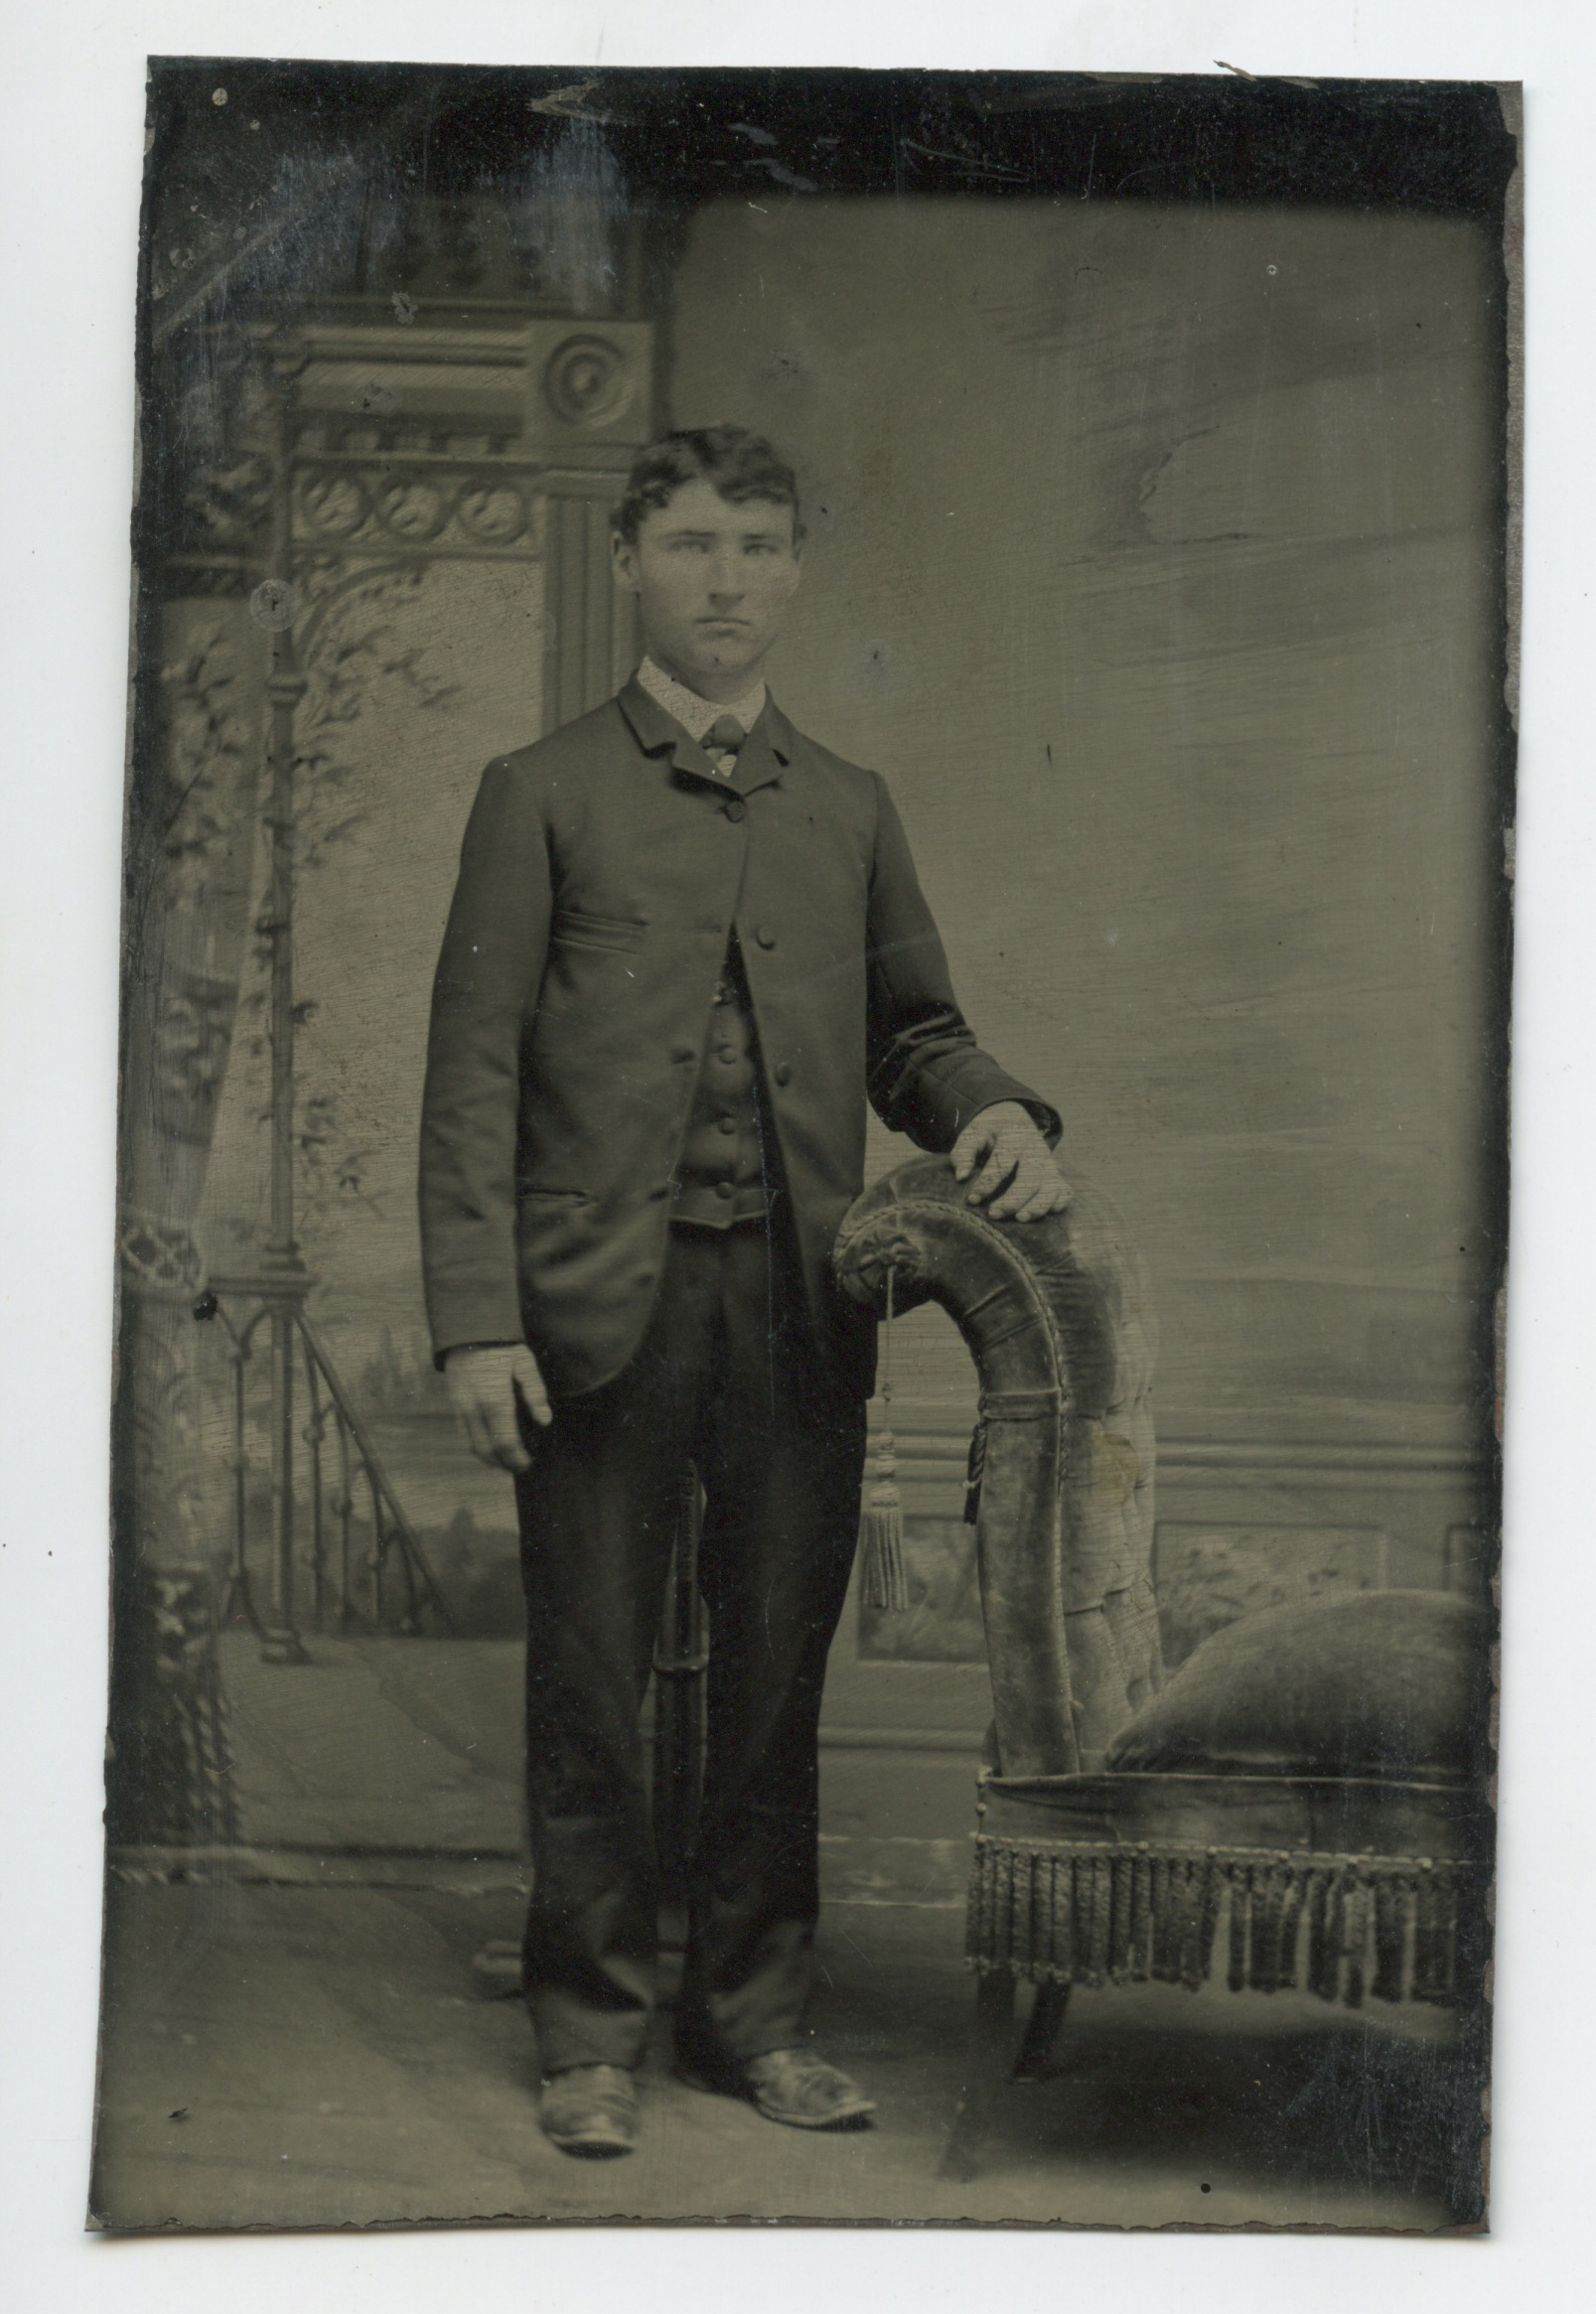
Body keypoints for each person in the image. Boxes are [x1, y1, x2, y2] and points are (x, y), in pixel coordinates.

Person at [419, 426, 1068, 2158]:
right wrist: (476, 1319)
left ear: (794, 572)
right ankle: (589, 2033)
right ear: (631, 560)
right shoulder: (538, 791)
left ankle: (757, 2022)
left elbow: (917, 1032)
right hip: (590, 1313)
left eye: (761, 546)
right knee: (591, 1680)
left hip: (797, 1313)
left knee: (777, 1685)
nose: (730, 580)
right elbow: (472, 1072)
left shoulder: (848, 804)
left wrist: (995, 1105)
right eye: (696, 543)